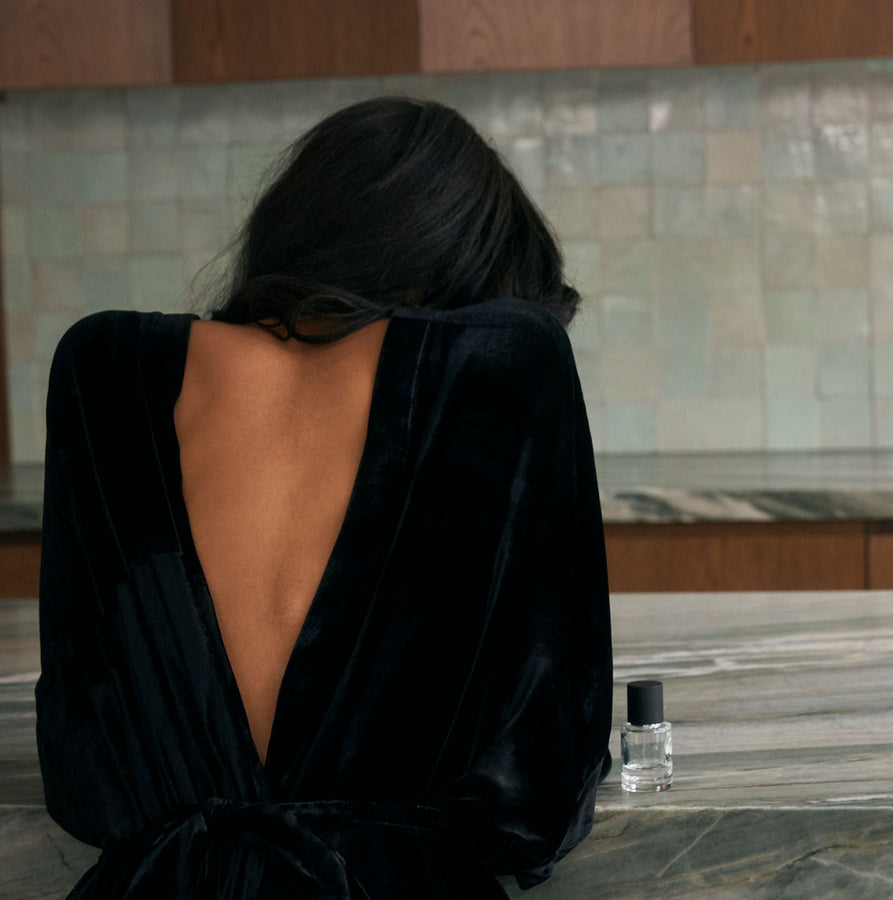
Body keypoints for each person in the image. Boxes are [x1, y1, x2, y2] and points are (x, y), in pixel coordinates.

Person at [35, 97, 613, 899]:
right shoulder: (511, 363)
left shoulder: (101, 371)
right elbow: (541, 786)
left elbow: (82, 771)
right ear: (472, 285)